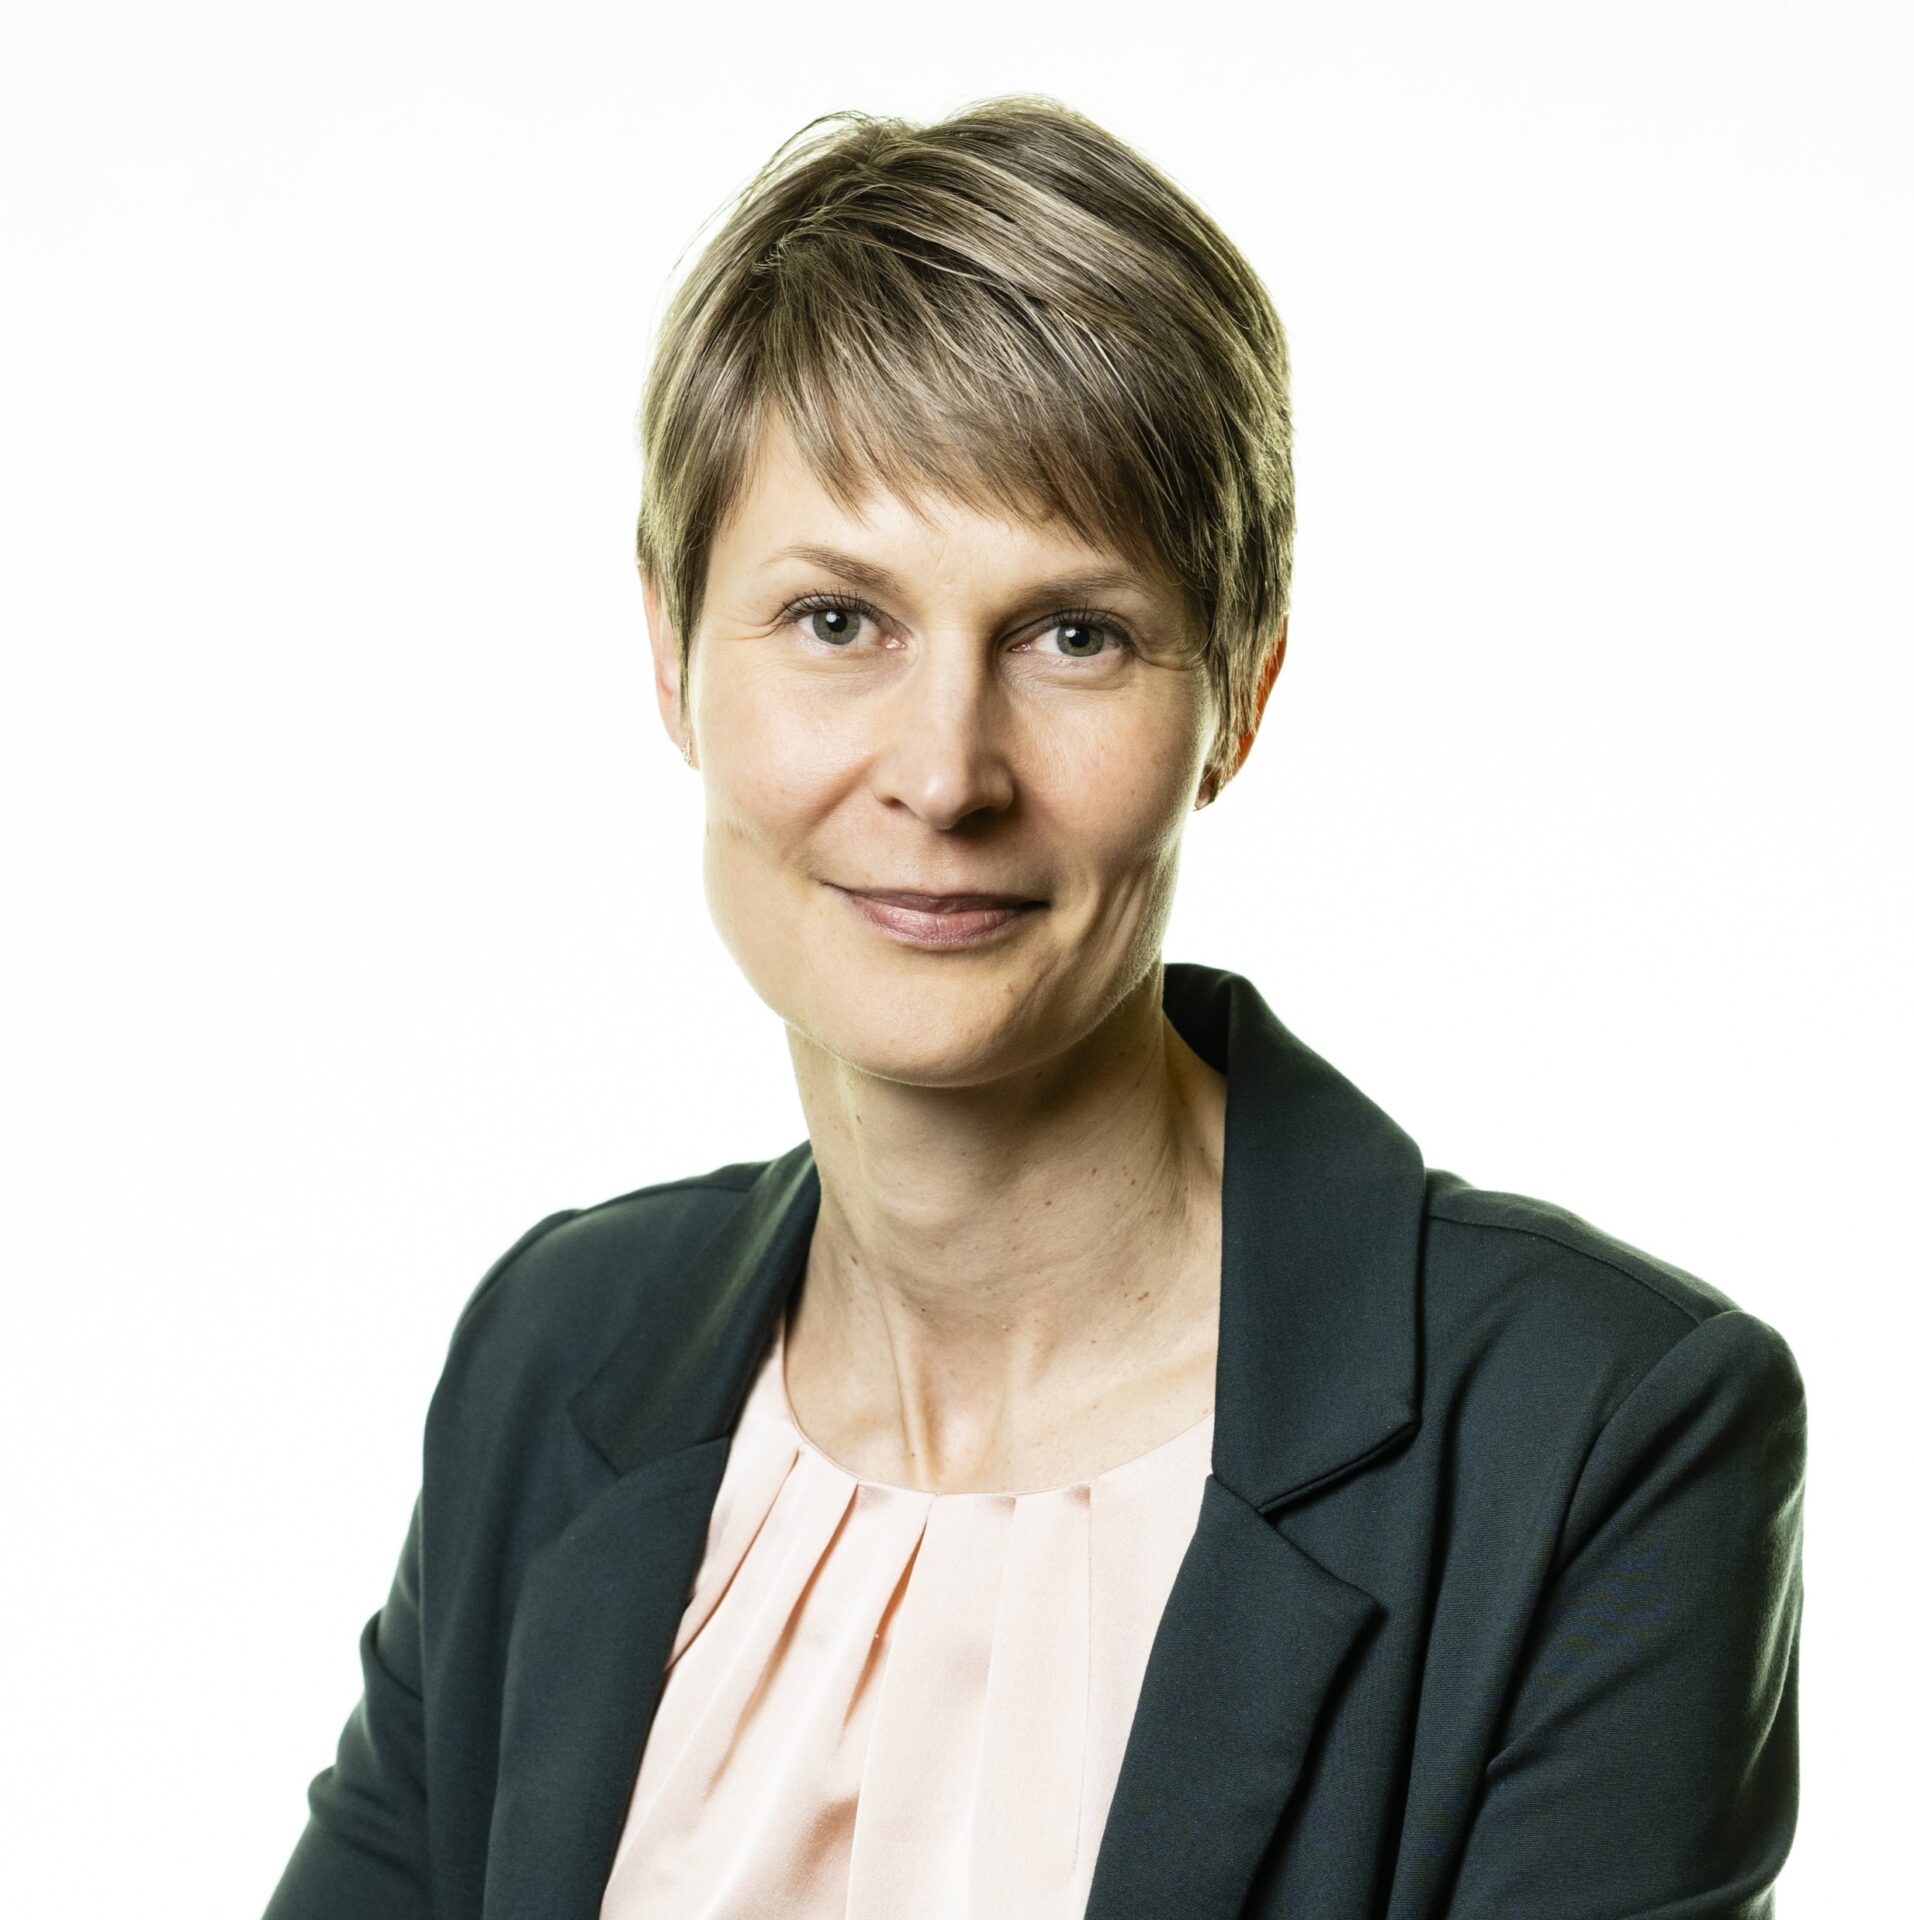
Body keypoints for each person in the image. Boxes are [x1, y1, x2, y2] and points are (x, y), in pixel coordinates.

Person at [264, 94, 1807, 1920]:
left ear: (1239, 697)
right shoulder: (554, 1350)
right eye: (837, 619)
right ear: (671, 653)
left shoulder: (1601, 1433)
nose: (945, 772)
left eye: (1075, 634)